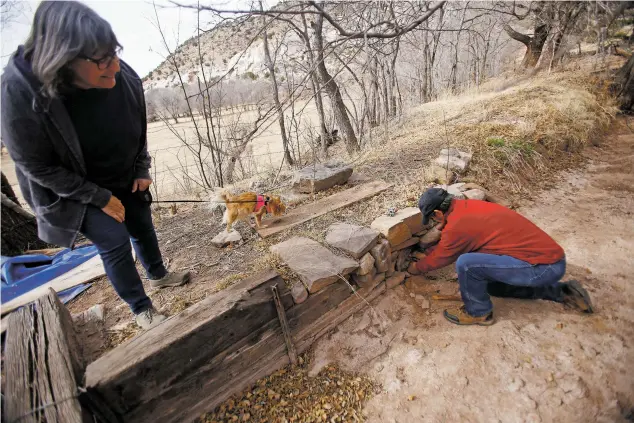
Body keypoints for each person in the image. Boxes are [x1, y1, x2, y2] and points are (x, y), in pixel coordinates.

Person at [1, 1, 190, 329]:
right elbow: (37, 167)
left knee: (141, 221)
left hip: (120, 171)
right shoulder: (18, 93)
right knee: (113, 238)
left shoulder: (119, 72)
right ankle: (142, 308)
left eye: (115, 52)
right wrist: (99, 197)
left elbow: (138, 125)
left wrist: (142, 167)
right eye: (104, 60)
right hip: (70, 189)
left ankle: (158, 274)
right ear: (63, 58)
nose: (115, 67)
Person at [408, 188, 593, 326]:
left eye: (433, 218)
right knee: (491, 286)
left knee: (467, 264)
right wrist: (432, 247)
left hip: (543, 268)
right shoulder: (468, 207)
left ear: (438, 213)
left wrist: (416, 268)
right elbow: (448, 246)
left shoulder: (457, 226)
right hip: (551, 260)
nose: (434, 222)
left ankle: (478, 312)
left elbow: (443, 256)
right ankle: (563, 292)